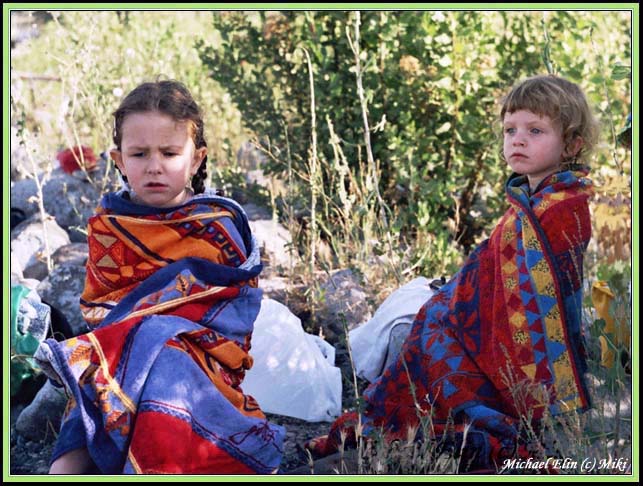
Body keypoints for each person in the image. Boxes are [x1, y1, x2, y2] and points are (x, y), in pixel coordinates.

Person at [307, 74, 599, 472]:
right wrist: (460, 294)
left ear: (572, 144)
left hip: (527, 349)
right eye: (510, 129)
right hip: (489, 322)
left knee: (436, 341)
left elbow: (540, 288)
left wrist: (463, 303)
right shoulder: (530, 200)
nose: (518, 139)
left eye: (536, 130)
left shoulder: (564, 206)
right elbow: (491, 268)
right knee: (430, 323)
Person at [34, 80, 284, 474]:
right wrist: (134, 333)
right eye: (139, 153)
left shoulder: (216, 227)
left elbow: (235, 318)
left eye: (169, 153)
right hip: (119, 359)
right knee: (94, 372)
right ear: (118, 159)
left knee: (155, 356)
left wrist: (153, 330)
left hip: (198, 361)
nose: (154, 166)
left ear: (197, 158)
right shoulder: (109, 227)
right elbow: (101, 312)